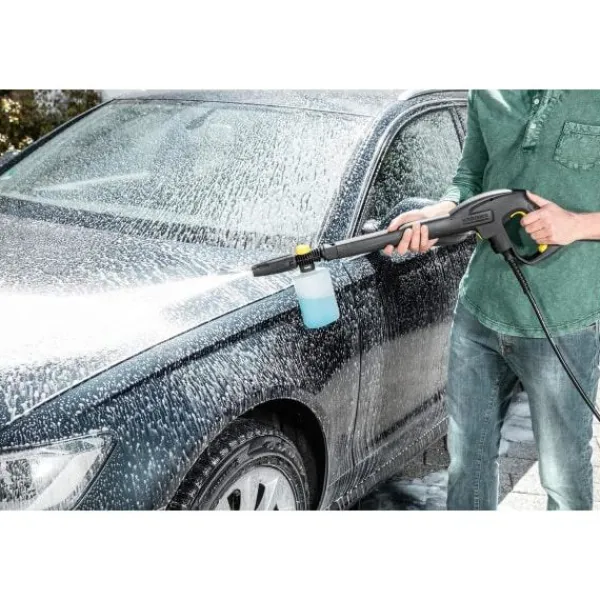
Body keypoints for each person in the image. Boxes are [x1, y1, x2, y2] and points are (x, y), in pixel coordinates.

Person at [385, 90, 600, 510]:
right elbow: (470, 177)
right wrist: (439, 213)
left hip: (564, 320)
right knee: (467, 463)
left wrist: (576, 224)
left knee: (563, 478)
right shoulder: (486, 88)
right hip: (479, 313)